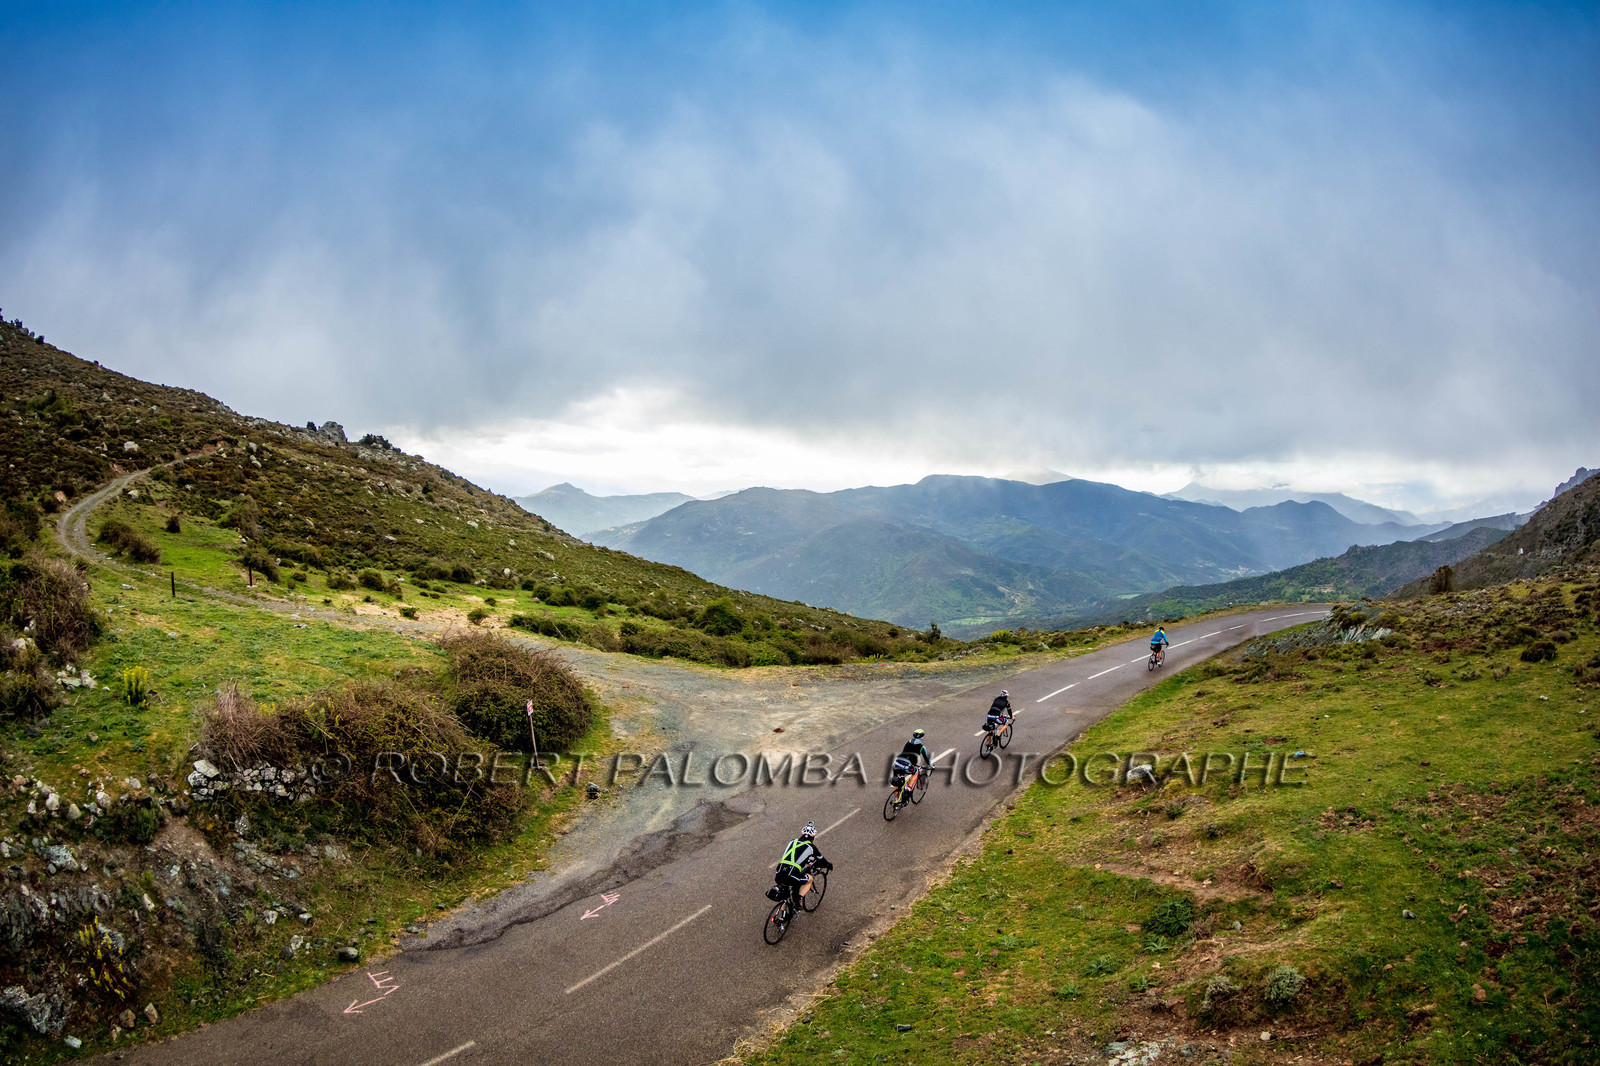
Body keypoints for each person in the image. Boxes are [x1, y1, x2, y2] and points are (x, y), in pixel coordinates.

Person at [774, 821, 832, 904]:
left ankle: (783, 913)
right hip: (791, 875)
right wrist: (828, 865)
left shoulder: (792, 842)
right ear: (813, 837)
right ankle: (798, 900)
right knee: (810, 879)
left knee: (785, 896)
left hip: (779, 873)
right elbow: (821, 861)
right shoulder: (811, 847)